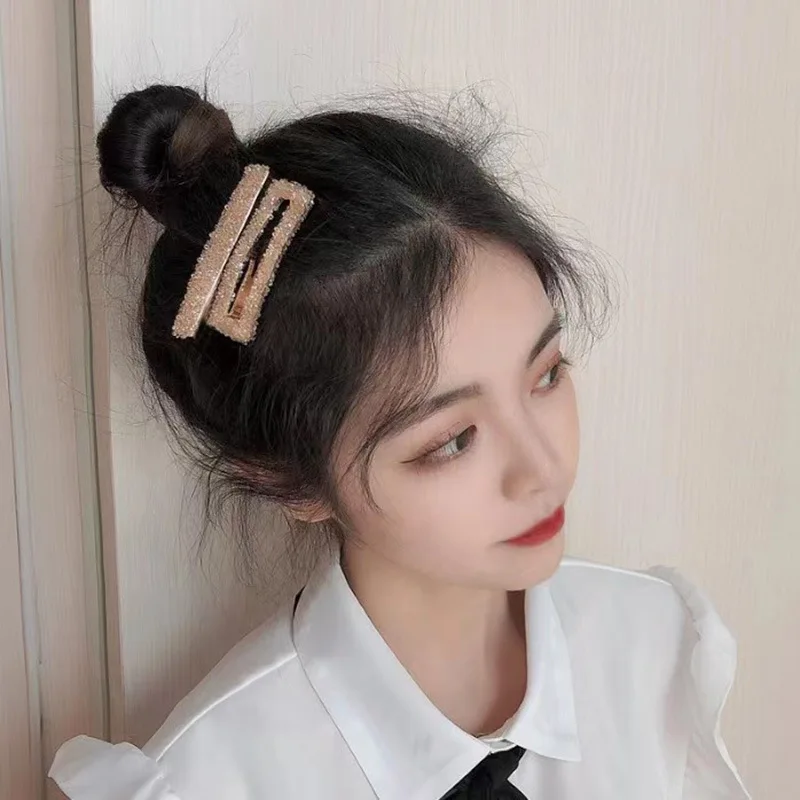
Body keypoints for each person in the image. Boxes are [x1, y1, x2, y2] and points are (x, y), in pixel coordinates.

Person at [49, 84, 751, 799]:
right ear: (287, 480)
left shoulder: (654, 647)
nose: (543, 469)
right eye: (453, 441)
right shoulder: (210, 781)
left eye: (545, 375)